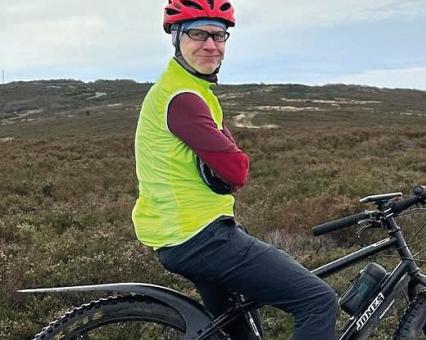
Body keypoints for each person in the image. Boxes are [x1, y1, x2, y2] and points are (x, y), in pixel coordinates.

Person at [131, 0, 337, 338]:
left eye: (218, 35)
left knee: (237, 330)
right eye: (197, 33)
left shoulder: (187, 90)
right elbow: (236, 170)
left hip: (180, 234)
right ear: (176, 38)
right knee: (317, 301)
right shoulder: (182, 97)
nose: (210, 45)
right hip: (200, 236)